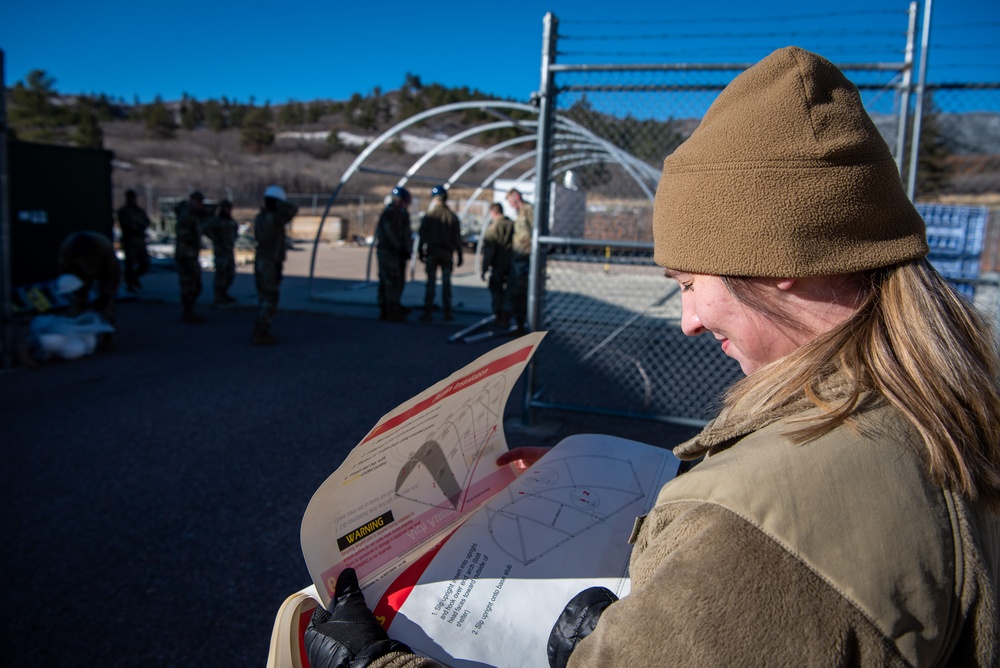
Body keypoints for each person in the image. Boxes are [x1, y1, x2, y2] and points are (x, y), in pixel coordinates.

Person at [302, 47, 1000, 667]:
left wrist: (372, 665)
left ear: (778, 262)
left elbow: (774, 552)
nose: (690, 321)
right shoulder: (947, 403)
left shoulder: (760, 536)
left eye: (692, 283)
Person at [56, 230, 121, 350]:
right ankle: (74, 334)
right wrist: (75, 288)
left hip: (103, 272)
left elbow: (113, 273)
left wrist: (106, 294)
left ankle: (108, 337)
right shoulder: (67, 248)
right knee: (76, 305)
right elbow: (64, 270)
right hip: (79, 274)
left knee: (106, 306)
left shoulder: (103, 246)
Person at [251, 185, 299, 345]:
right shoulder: (274, 218)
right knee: (270, 297)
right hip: (270, 261)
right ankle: (260, 331)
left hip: (262, 260)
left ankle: (261, 328)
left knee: (264, 295)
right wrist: (281, 204)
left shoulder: (261, 217)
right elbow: (293, 209)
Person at [417, 185, 463, 322]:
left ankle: (428, 312)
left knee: (430, 283)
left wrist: (420, 251)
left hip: (432, 253)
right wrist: (459, 254)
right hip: (446, 253)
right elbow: (457, 238)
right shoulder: (452, 216)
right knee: (446, 283)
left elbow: (422, 235)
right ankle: (447, 312)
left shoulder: (429, 216)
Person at [375, 186, 413, 323]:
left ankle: (394, 305)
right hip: (389, 253)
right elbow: (392, 234)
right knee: (389, 280)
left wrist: (407, 249)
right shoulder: (390, 214)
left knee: (397, 280)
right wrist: (400, 247)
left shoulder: (401, 213)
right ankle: (389, 309)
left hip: (398, 253)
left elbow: (406, 234)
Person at [173, 190, 209, 324]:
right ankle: (188, 312)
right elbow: (184, 235)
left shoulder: (192, 215)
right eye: (198, 202)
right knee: (189, 285)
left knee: (195, 284)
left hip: (191, 255)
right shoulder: (186, 216)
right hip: (186, 255)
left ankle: (189, 310)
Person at [480, 202, 514, 327]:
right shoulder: (513, 225)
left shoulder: (493, 228)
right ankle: (507, 316)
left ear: (493, 213)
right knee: (510, 291)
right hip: (512, 263)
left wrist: (484, 268)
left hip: (498, 264)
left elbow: (489, 251)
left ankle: (498, 317)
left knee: (496, 291)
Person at [506, 188, 533, 333]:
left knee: (522, 292)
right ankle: (519, 323)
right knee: (515, 292)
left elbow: (534, 231)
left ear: (516, 197)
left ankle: (525, 323)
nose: (511, 206)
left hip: (525, 258)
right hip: (517, 259)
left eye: (511, 201)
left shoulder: (529, 210)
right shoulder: (519, 214)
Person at [203, 199, 239, 305]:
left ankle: (224, 293)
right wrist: (216, 238)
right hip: (220, 251)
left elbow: (235, 233)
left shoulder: (231, 222)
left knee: (230, 274)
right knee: (221, 274)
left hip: (229, 251)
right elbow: (206, 229)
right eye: (227, 208)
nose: (228, 210)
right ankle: (218, 296)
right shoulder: (216, 221)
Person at [115, 189, 151, 293]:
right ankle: (130, 283)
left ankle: (135, 277)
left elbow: (146, 222)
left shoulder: (139, 211)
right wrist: (135, 227)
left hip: (140, 241)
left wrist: (140, 227)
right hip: (129, 241)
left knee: (145, 264)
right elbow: (126, 225)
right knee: (129, 265)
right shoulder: (123, 211)